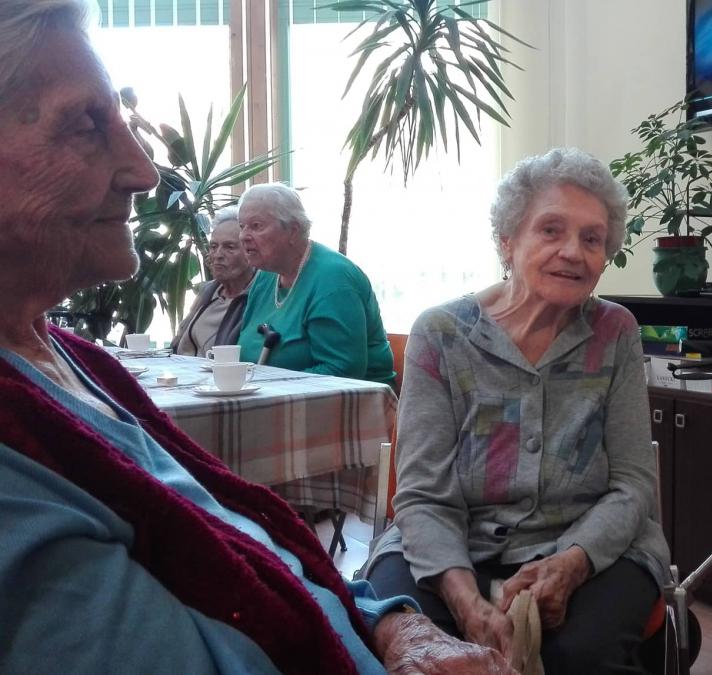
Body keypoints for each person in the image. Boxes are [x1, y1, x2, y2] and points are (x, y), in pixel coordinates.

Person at [0, 2, 509, 672]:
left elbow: (241, 530)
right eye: (86, 124)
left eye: (254, 230)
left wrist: (384, 621)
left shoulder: (72, 361)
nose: (144, 172)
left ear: (291, 230)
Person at [361, 148, 670, 674]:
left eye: (592, 239)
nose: (573, 252)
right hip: (453, 544)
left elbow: (633, 485)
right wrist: (467, 602)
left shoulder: (615, 331)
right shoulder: (441, 335)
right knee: (412, 645)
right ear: (507, 240)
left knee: (579, 656)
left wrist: (571, 563)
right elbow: (423, 494)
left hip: (594, 545)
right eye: (551, 230)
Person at [236, 182, 394, 386]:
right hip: (269, 396)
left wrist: (268, 385)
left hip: (349, 401)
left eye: (256, 226)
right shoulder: (265, 276)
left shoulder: (334, 278)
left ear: (293, 230)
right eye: (242, 226)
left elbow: (343, 370)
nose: (244, 236)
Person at [171, 206, 254, 356]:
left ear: (250, 251)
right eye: (213, 246)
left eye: (229, 247)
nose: (217, 255)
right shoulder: (209, 291)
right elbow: (177, 343)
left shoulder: (259, 297)